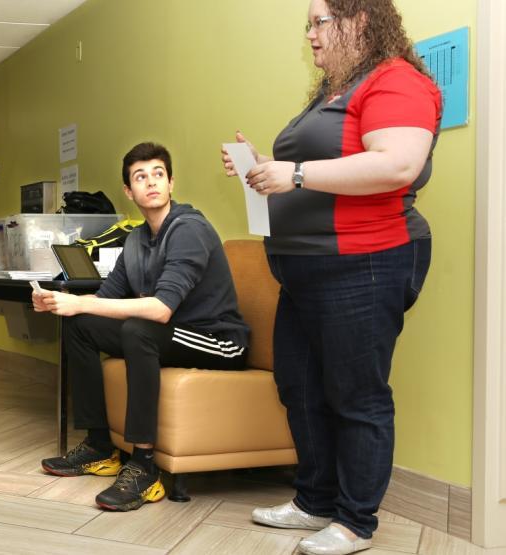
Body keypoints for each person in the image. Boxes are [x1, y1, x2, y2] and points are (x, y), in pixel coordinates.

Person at [220, 1, 440, 553]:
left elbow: (396, 164)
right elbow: (322, 170)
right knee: (299, 386)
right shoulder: (331, 93)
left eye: (319, 23)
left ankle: (356, 520)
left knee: (356, 394)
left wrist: (291, 172)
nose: (311, 37)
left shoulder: (396, 80)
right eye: (309, 26)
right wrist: (261, 166)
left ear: (359, 21)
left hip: (364, 261)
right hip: (304, 270)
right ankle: (314, 500)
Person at [35, 142, 249, 512]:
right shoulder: (135, 240)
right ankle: (100, 448)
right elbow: (103, 302)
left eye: (158, 174)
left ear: (170, 183)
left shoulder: (188, 229)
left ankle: (144, 467)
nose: (151, 183)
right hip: (168, 336)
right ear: (128, 191)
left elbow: (162, 309)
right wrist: (58, 304)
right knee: (81, 326)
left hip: (217, 340)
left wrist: (83, 301)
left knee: (139, 329)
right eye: (140, 176)